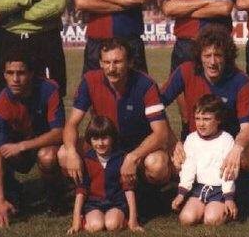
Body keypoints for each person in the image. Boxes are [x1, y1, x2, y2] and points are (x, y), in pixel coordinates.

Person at [60, 38, 172, 197]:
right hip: (104, 144)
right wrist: (72, 152)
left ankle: (147, 197)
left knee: (157, 164)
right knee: (63, 153)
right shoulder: (90, 81)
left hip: (136, 146)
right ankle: (88, 193)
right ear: (100, 63)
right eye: (106, 62)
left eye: (117, 62)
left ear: (130, 62)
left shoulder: (145, 84)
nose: (111, 68)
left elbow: (161, 133)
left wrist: (133, 157)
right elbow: (72, 123)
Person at [0, 49, 66, 227]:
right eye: (10, 73)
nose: (15, 79)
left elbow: (59, 132)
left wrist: (23, 146)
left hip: (43, 143)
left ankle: (55, 196)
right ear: (4, 75)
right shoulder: (0, 105)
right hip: (15, 146)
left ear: (31, 73)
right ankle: (10, 192)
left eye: (21, 73)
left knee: (47, 157)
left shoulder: (49, 89)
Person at [162, 0, 238, 127]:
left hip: (217, 48)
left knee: (222, 112)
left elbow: (224, 8)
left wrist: (184, 7)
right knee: (188, 117)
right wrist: (206, 1)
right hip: (185, 46)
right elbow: (168, 9)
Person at [161, 24, 249, 176]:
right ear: (199, 56)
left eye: (218, 55)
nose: (213, 62)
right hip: (195, 143)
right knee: (164, 166)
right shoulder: (186, 70)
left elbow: (247, 128)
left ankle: (241, 185)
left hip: (228, 145)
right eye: (207, 56)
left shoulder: (241, 81)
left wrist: (237, 149)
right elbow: (155, 107)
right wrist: (173, 141)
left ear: (227, 56)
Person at [67, 116, 143, 234]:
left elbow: (129, 189)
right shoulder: (87, 160)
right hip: (94, 203)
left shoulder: (121, 158)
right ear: (90, 140)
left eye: (104, 138)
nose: (100, 143)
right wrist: (76, 221)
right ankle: (85, 220)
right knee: (95, 226)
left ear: (112, 138)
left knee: (112, 225)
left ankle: (124, 219)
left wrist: (133, 220)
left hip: (116, 202)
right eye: (95, 139)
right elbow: (81, 191)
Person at [171, 95, 238, 226]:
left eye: (206, 119)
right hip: (198, 189)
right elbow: (188, 168)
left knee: (212, 219)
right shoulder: (191, 139)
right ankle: (201, 208)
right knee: (186, 219)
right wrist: (181, 193)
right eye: (197, 118)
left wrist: (229, 198)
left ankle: (221, 210)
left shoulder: (226, 139)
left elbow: (228, 171)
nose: (201, 124)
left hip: (219, 190)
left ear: (218, 119)